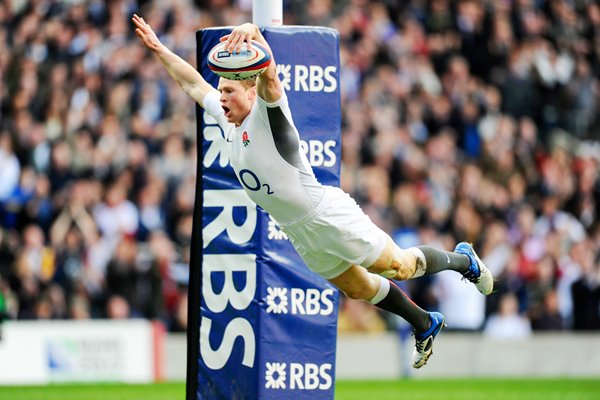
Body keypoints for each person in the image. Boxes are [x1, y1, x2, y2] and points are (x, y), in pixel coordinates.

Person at [132, 15, 494, 368]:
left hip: (324, 213)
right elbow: (194, 85)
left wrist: (253, 31)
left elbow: (270, 76)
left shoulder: (268, 115)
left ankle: (464, 260)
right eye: (222, 91)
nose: (221, 98)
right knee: (358, 288)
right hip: (299, 231)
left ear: (249, 91)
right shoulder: (230, 123)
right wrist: (159, 48)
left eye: (228, 91)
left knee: (401, 267)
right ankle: (423, 322)